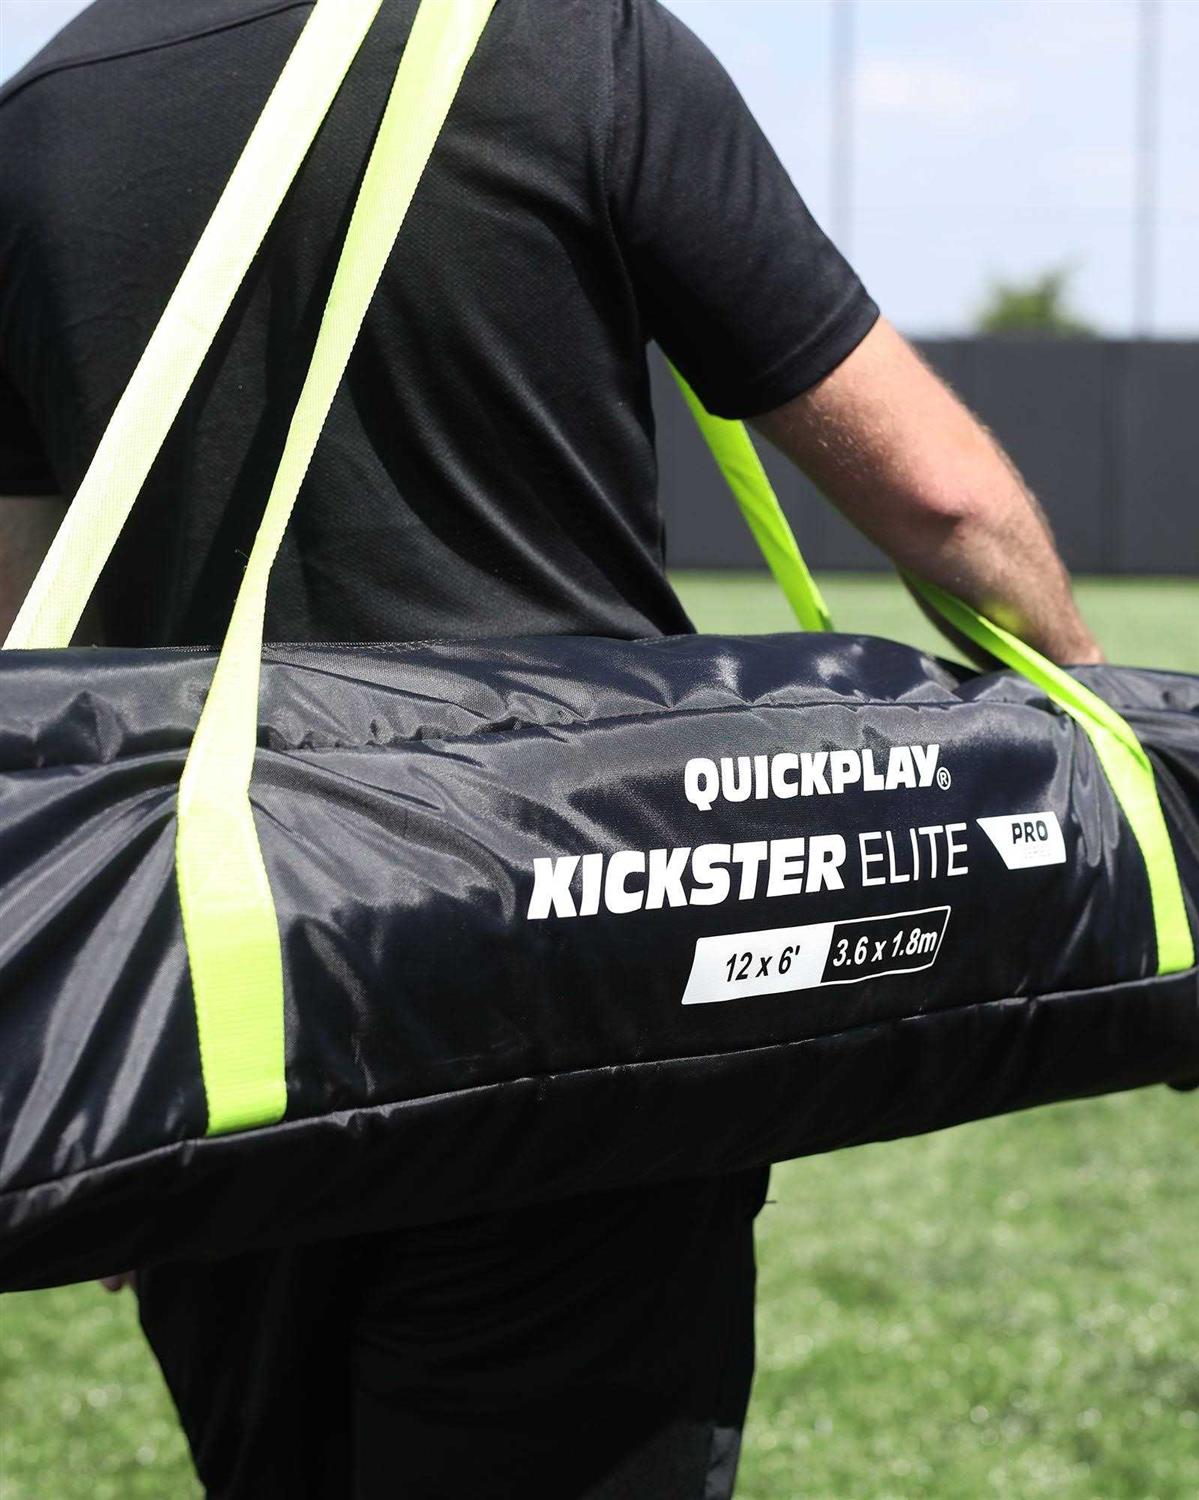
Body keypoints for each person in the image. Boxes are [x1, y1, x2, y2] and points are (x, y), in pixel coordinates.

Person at [0, 1, 1100, 1495]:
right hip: (566, 949)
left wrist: (105, 1062)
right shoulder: (567, 40)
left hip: (231, 972)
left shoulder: (42, 110)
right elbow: (944, 498)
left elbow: (35, 634)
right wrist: (1110, 750)